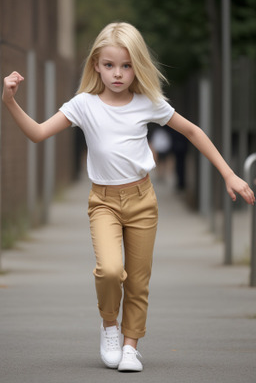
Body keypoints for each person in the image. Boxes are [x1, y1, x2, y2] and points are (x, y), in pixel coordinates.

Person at [2, 22, 255, 373]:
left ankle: (131, 345)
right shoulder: (84, 105)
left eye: (126, 65)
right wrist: (9, 101)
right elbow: (38, 134)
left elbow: (193, 131)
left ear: (137, 66)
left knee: (138, 279)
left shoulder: (147, 103)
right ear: (96, 66)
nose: (118, 74)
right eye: (109, 65)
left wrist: (228, 173)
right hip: (103, 202)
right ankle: (109, 326)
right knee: (110, 270)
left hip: (142, 201)